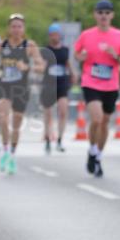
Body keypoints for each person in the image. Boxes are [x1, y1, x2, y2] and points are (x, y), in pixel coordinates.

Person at [74, 0, 120, 178]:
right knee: (97, 119)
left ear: (112, 15)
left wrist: (116, 56)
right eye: (100, 12)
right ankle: (92, 149)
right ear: (95, 15)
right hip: (90, 82)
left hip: (111, 84)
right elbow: (76, 54)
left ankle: (97, 156)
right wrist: (81, 56)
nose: (104, 16)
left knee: (105, 122)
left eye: (107, 12)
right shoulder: (86, 35)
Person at [0, 14, 42, 175]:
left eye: (19, 26)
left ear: (23, 28)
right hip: (4, 86)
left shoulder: (30, 45)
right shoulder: (1, 45)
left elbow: (41, 66)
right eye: (13, 26)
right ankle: (4, 151)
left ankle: (12, 154)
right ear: (9, 28)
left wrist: (28, 68)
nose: (16, 29)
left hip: (21, 89)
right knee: (3, 119)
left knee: (16, 125)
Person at [40, 23, 77, 153]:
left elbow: (67, 63)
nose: (54, 37)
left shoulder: (65, 50)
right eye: (51, 35)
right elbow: (41, 65)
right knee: (48, 113)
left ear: (59, 35)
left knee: (63, 111)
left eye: (56, 34)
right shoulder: (45, 50)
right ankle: (48, 138)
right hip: (49, 83)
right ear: (49, 36)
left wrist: (73, 74)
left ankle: (60, 139)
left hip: (62, 83)